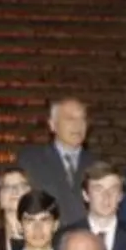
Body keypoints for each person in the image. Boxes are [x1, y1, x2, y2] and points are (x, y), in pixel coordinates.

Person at [15, 97, 95, 228]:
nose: (78, 125)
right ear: (52, 124)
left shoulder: (96, 164)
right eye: (70, 119)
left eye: (82, 119)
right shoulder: (31, 160)